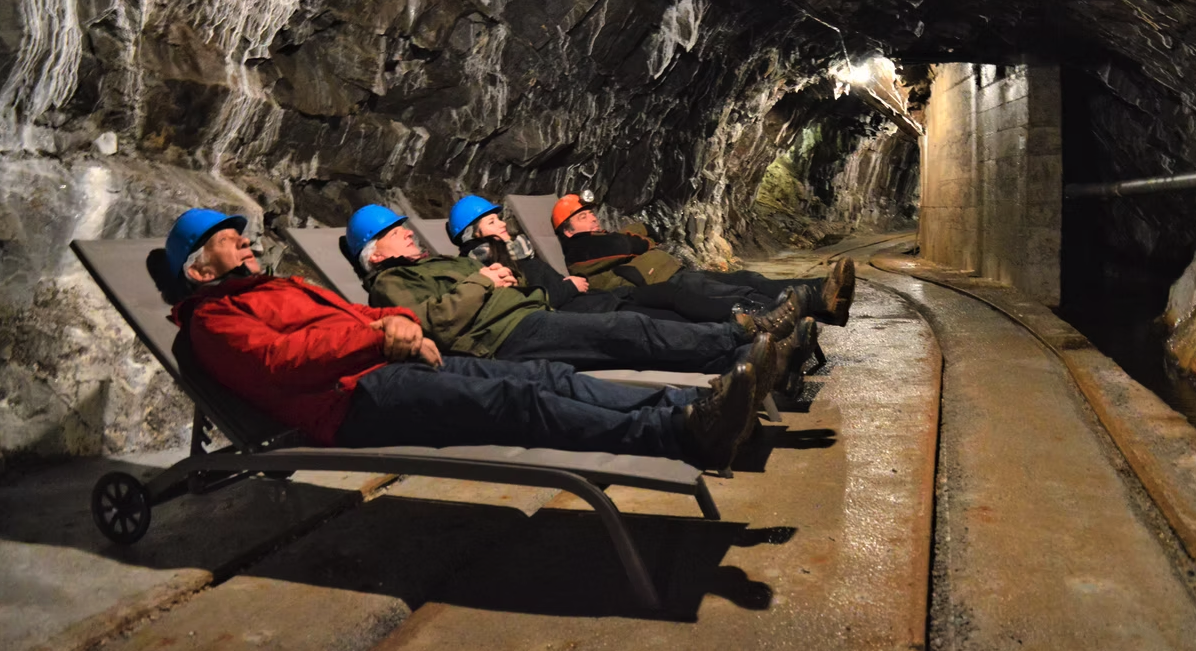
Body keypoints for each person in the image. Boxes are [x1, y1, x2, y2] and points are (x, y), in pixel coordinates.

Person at [164, 208, 760, 470]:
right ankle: (681, 435)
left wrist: (394, 335)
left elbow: (351, 317)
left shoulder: (280, 287)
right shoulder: (212, 323)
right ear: (200, 269)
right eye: (225, 238)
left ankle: (690, 408)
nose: (242, 240)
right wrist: (384, 337)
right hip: (347, 401)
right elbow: (280, 363)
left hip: (391, 366)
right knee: (515, 403)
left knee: (545, 378)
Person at [343, 205, 819, 402]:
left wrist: (503, 282)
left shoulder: (437, 264)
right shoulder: (389, 285)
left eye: (403, 227)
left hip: (529, 316)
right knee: (630, 331)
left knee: (639, 329)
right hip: (505, 338)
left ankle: (756, 352)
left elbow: (514, 287)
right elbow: (430, 323)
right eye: (392, 232)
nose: (406, 232)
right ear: (375, 252)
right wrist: (485, 282)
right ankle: (748, 337)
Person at [446, 194, 796, 326]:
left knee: (680, 299)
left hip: (600, 297)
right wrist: (568, 286)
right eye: (493, 222)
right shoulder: (491, 266)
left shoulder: (519, 252)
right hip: (583, 307)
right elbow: (538, 298)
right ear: (474, 234)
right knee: (664, 315)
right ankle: (753, 322)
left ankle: (763, 314)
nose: (504, 224)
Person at [552, 191, 858, 326]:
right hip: (662, 280)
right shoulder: (581, 248)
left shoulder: (596, 240)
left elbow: (646, 234)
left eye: (591, 213)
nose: (592, 218)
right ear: (567, 231)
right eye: (582, 217)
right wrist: (635, 240)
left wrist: (637, 239)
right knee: (739, 292)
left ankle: (822, 293)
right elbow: (632, 241)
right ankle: (815, 303)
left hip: (671, 273)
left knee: (746, 280)